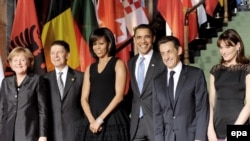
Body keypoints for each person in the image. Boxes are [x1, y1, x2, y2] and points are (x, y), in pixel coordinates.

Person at [153, 36, 209, 141]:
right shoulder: (157, 81)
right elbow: (158, 115)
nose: (166, 57)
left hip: (190, 137)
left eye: (169, 52)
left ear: (179, 50)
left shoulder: (195, 75)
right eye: (163, 53)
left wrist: (200, 138)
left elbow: (202, 109)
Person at [81, 27, 130, 141]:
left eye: (101, 43)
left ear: (109, 44)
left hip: (113, 118)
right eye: (94, 44)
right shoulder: (90, 68)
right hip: (92, 120)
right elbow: (83, 98)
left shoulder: (118, 64)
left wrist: (100, 120)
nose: (97, 47)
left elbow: (119, 96)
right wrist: (92, 121)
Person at [207, 29, 250, 141]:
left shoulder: (247, 69)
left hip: (240, 127)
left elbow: (249, 104)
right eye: (221, 47)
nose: (223, 51)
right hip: (216, 129)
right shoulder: (215, 70)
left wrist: (234, 133)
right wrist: (210, 129)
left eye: (227, 47)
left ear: (238, 46)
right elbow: (210, 103)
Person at [0, 47, 47, 141]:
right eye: (15, 60)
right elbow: (2, 108)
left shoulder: (36, 80)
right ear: (11, 64)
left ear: (29, 62)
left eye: (22, 60)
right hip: (7, 132)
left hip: (28, 132)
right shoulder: (6, 82)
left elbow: (42, 109)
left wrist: (43, 135)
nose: (18, 63)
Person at [128, 24, 165, 141]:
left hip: (157, 121)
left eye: (146, 37)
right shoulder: (131, 62)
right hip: (136, 123)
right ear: (134, 39)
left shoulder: (162, 60)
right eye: (138, 37)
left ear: (153, 38)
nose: (142, 41)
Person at [43, 40, 84, 141]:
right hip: (52, 132)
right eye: (52, 53)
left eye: (59, 52)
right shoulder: (43, 79)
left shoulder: (81, 77)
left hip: (76, 131)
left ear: (67, 55)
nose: (55, 56)